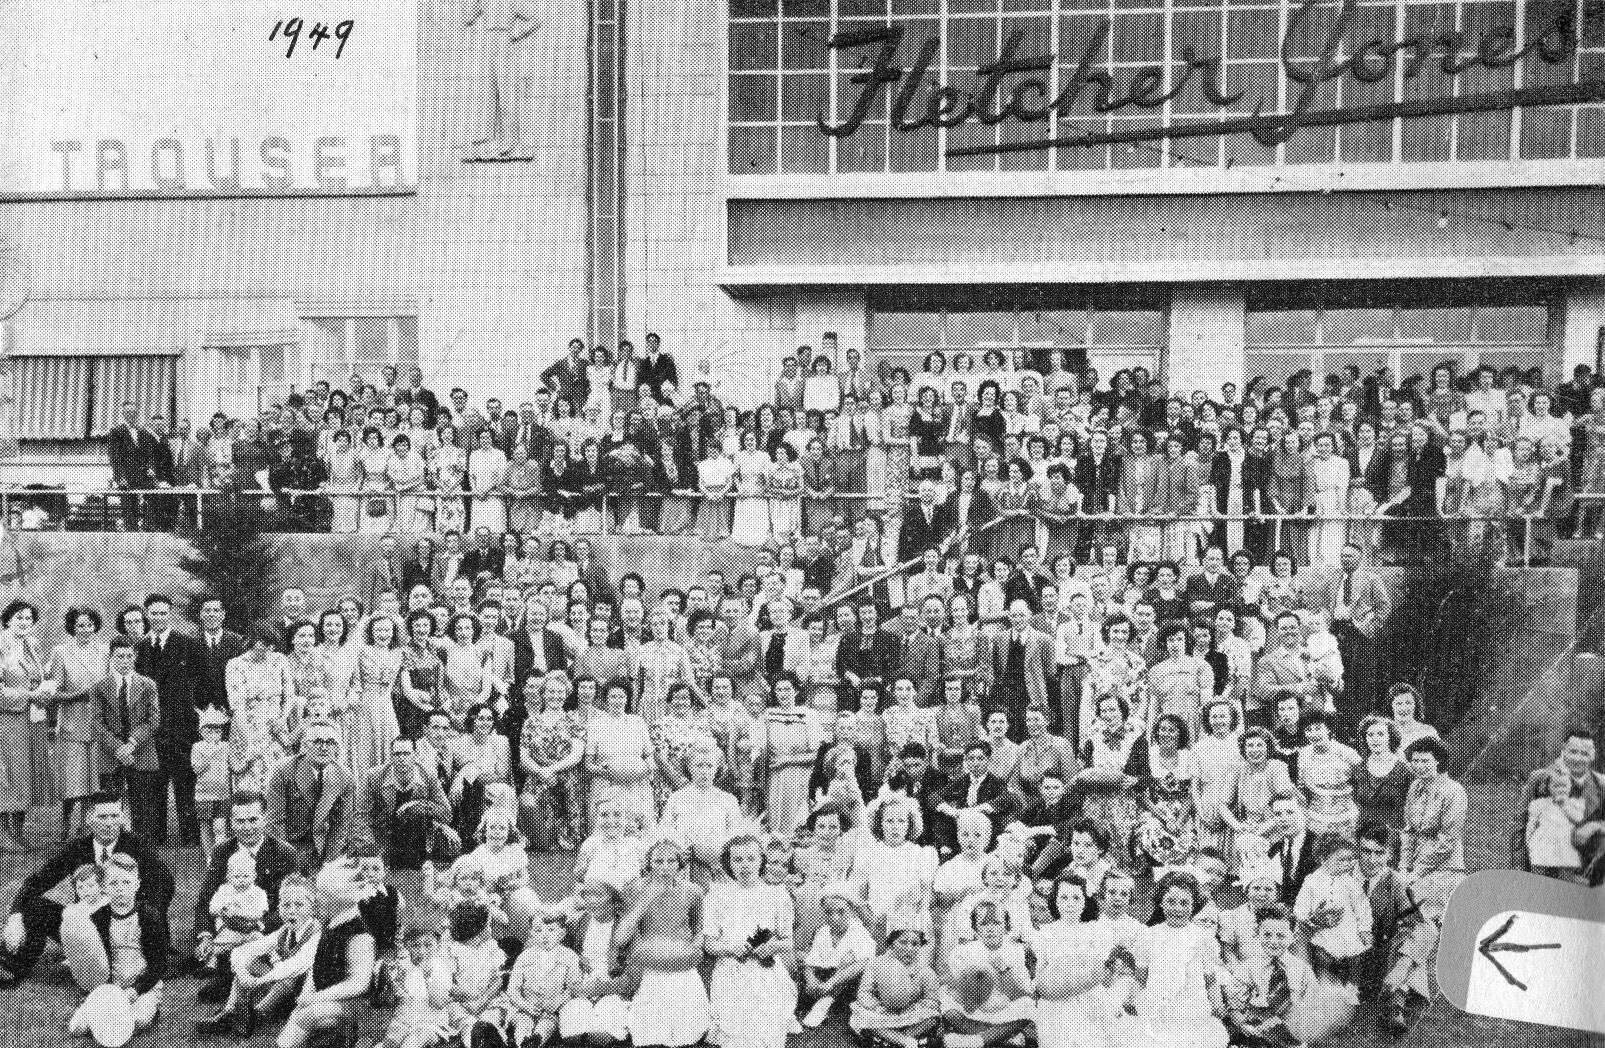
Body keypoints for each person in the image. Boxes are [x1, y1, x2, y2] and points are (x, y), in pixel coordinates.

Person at [0, 793, 174, 985]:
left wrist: (144, 922)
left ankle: (90, 959)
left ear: (122, 817)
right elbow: (36, 882)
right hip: (86, 924)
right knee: (33, 907)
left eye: (115, 816)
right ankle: (12, 966)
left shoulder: (137, 845)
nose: (110, 823)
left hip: (126, 929)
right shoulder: (78, 847)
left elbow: (164, 884)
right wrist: (16, 917)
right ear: (89, 819)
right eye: (102, 817)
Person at [63, 855, 170, 1041]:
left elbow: (159, 964)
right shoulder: (99, 918)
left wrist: (136, 990)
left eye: (126, 882)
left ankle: (141, 1011)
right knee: (76, 1028)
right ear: (104, 887)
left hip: (143, 987)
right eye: (113, 883)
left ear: (137, 884)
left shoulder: (149, 917)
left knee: (138, 1020)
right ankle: (106, 1014)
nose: (120, 889)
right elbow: (94, 960)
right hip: (111, 987)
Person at [705, 834, 797, 1048]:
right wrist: (731, 949)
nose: (745, 865)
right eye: (737, 860)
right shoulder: (717, 895)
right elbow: (709, 944)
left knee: (765, 1037)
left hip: (765, 973)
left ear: (761, 860)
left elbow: (788, 942)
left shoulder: (776, 895)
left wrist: (771, 946)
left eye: (750, 858)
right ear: (728, 863)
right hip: (731, 972)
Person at [277, 859, 378, 1048]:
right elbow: (316, 966)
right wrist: (307, 994)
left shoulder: (360, 935)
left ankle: (349, 1038)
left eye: (323, 895)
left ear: (339, 898)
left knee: (311, 1014)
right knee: (299, 1014)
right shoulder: (330, 925)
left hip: (351, 1004)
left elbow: (359, 983)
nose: (317, 899)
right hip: (326, 997)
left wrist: (317, 997)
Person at [136, 593, 207, 846]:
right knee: (155, 783)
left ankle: (191, 836)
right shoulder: (140, 648)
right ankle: (156, 836)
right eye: (154, 613)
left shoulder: (187, 645)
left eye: (163, 613)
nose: (158, 617)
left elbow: (202, 683)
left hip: (181, 726)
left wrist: (196, 715)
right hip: (153, 727)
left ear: (170, 614)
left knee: (185, 782)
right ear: (147, 615)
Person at [89, 637, 164, 842]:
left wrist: (131, 744)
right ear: (111, 657)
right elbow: (96, 723)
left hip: (141, 752)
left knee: (143, 807)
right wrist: (118, 748)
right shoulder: (99, 686)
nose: (125, 660)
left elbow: (154, 719)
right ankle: (111, 849)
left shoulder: (148, 684)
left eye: (129, 656)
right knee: (109, 806)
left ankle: (141, 853)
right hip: (111, 756)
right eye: (119, 656)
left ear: (135, 657)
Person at [265, 719, 356, 872]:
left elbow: (341, 826)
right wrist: (287, 864)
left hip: (327, 848)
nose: (324, 747)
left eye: (330, 742)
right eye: (318, 741)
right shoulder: (284, 771)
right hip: (292, 847)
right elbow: (275, 822)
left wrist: (329, 865)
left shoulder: (344, 777)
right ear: (305, 746)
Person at [353, 735, 453, 873]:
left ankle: (422, 868)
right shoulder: (374, 776)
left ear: (415, 755)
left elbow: (447, 814)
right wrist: (369, 850)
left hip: (418, 839)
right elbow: (361, 816)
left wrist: (418, 805)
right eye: (397, 754)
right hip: (384, 836)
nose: (402, 759)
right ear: (391, 757)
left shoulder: (428, 775)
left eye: (406, 753)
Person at [848, 915, 941, 1048]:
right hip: (882, 1013)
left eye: (915, 944)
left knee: (932, 1017)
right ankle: (900, 1040)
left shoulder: (925, 970)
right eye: (903, 942)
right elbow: (864, 992)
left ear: (921, 945)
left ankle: (894, 1039)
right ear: (891, 943)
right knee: (860, 1017)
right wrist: (877, 1007)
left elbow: (932, 1000)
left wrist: (915, 1007)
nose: (909, 948)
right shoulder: (876, 964)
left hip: (911, 1014)